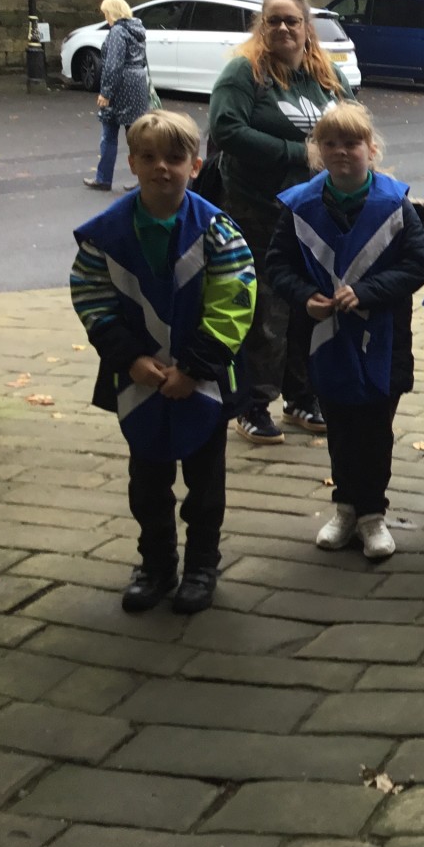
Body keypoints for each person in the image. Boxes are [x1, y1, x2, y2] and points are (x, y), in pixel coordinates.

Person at [70, 110, 256, 613]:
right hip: (138, 380)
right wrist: (130, 358)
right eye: (149, 157)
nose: (162, 168)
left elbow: (235, 300)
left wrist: (193, 368)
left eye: (175, 158)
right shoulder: (105, 234)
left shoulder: (217, 231)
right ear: (131, 162)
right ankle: (155, 564)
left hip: (205, 380)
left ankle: (201, 565)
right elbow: (91, 297)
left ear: (195, 165)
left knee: (205, 485)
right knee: (147, 482)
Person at [264, 103, 424, 560]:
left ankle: (372, 514)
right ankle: (345, 508)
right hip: (324, 337)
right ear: (316, 150)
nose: (341, 151)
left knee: (375, 428)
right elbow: (277, 264)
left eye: (352, 143)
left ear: (371, 149)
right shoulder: (300, 206)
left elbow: (418, 263)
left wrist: (368, 291)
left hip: (385, 338)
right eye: (330, 143)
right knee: (339, 426)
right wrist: (305, 297)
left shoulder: (394, 204)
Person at [209, 0, 352, 445]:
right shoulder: (244, 73)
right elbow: (226, 128)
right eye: (274, 20)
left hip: (315, 213)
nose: (284, 28)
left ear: (307, 27)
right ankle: (253, 403)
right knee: (264, 311)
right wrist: (298, 153)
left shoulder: (326, 76)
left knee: (309, 305)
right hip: (257, 209)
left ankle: (301, 395)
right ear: (262, 26)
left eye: (292, 20)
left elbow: (355, 126)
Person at [83, 0, 152, 192]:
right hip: (137, 84)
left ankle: (103, 178)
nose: (105, 16)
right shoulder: (138, 29)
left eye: (105, 12)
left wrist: (105, 93)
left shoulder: (117, 32)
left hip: (121, 86)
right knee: (136, 136)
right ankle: (144, 179)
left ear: (111, 12)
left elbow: (113, 65)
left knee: (109, 134)